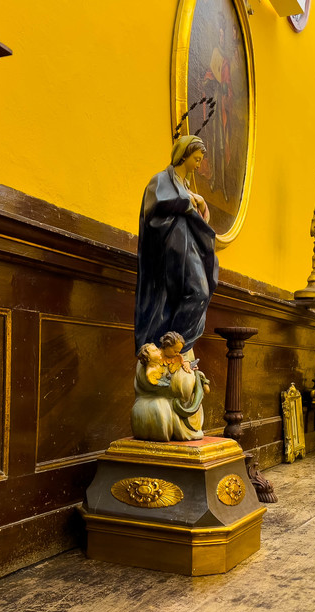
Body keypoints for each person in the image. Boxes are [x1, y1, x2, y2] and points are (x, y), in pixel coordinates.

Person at [134, 135, 218, 356]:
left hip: (190, 249)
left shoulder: (186, 186)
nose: (199, 164)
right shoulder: (161, 180)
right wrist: (186, 203)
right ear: (184, 155)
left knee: (199, 292)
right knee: (194, 292)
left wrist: (202, 205)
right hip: (170, 251)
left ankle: (175, 346)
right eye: (196, 159)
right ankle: (168, 347)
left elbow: (198, 221)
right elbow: (154, 208)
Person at [131, 334, 210, 442]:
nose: (178, 353)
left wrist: (190, 369)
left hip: (183, 402)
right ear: (166, 346)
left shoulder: (179, 357)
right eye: (175, 351)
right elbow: (152, 382)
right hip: (160, 400)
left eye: (179, 351)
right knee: (160, 409)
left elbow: (185, 364)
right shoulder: (151, 359)